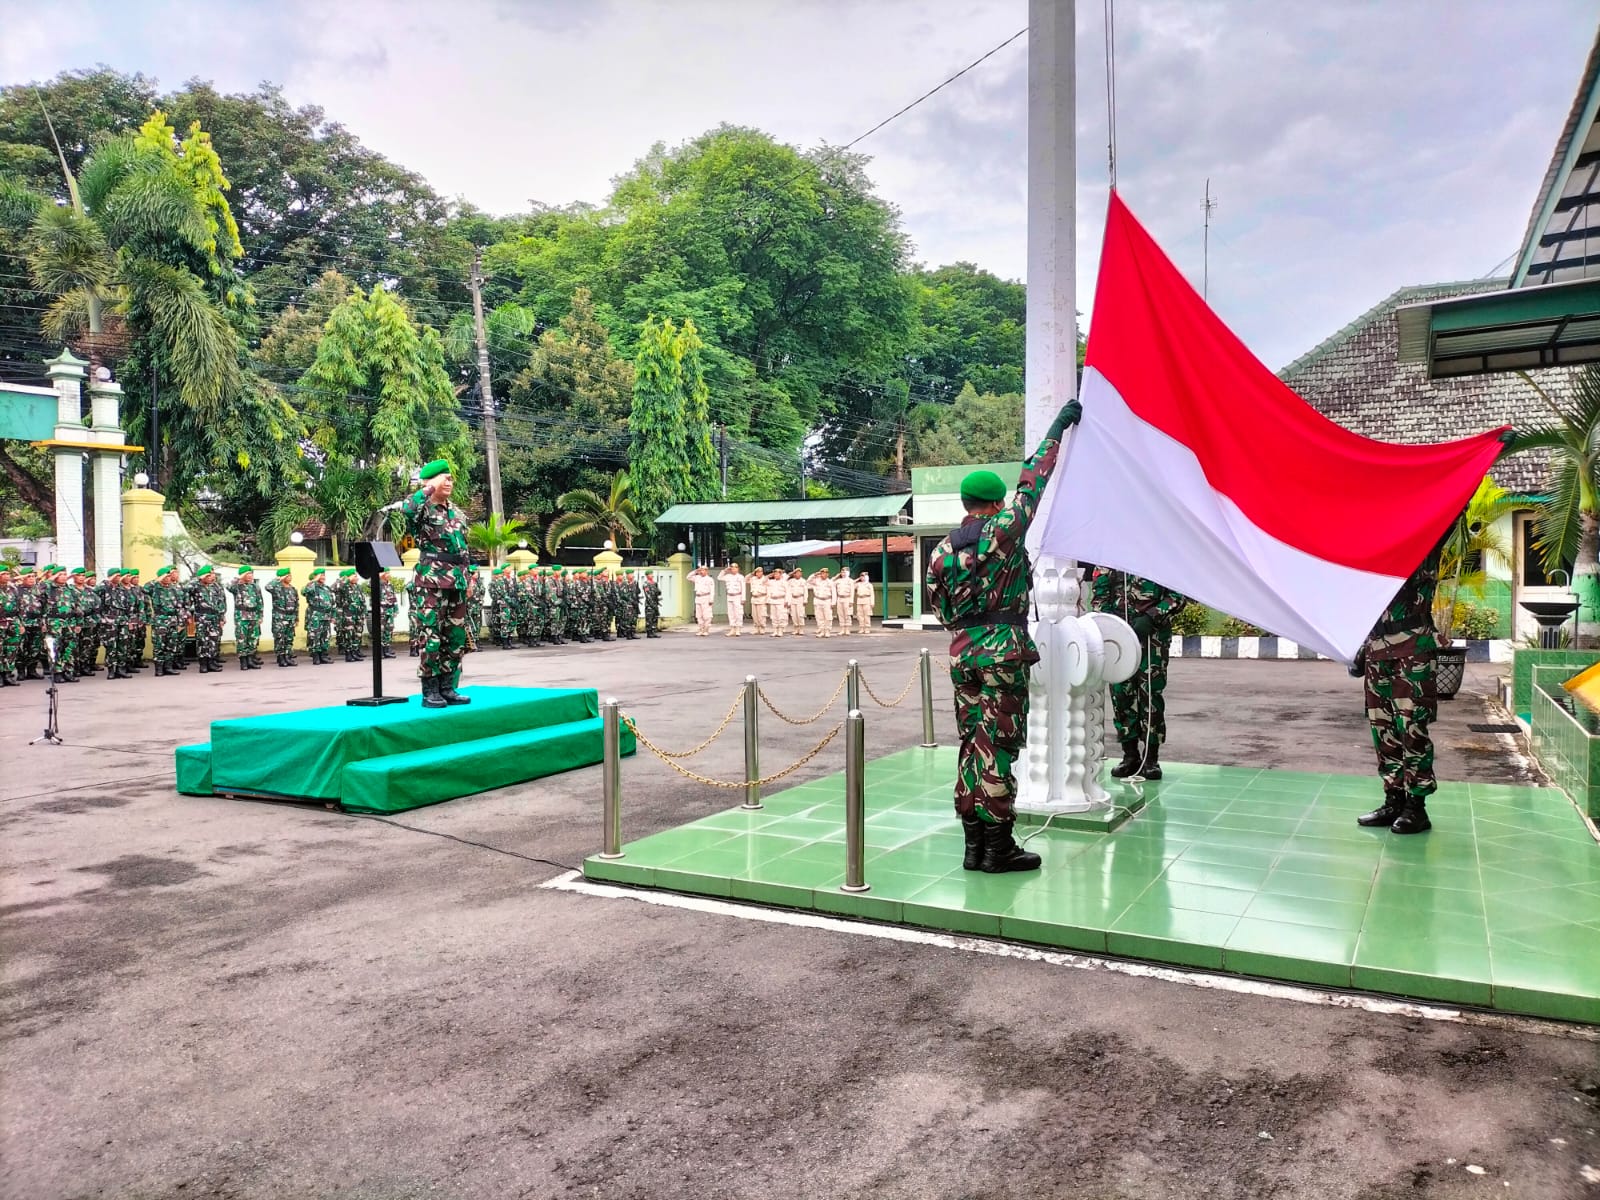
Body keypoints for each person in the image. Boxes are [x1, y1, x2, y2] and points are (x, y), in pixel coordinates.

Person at [925, 399, 1082, 873]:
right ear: (994, 503)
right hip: (1003, 654)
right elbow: (1034, 478)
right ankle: (999, 847)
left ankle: (974, 845)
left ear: (964, 504)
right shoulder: (1006, 528)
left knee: (972, 744)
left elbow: (939, 606)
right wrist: (1059, 426)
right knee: (998, 746)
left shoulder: (941, 551)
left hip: (962, 654)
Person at [1352, 543, 1443, 835]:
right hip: (1376, 649)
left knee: (1411, 727)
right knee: (1383, 729)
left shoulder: (1424, 538)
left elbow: (1450, 507)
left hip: (1413, 647)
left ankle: (1416, 806)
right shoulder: (1372, 547)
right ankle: (1394, 799)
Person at [1090, 569, 1183, 780]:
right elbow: (1100, 593)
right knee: (1121, 693)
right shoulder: (1111, 554)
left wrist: (1152, 616)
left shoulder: (1161, 555)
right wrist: (1112, 624)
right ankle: (1129, 755)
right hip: (1119, 636)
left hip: (1152, 636)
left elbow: (1178, 595)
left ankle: (1151, 758)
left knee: (1150, 693)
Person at [401, 459, 472, 708]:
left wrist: (468, 578)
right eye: (445, 478)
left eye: (451, 478)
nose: (449, 482)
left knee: (455, 637)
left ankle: (448, 686)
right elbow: (407, 509)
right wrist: (428, 489)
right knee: (431, 635)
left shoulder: (458, 513)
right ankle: (430, 689)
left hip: (457, 581)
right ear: (430, 481)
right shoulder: (422, 509)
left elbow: (464, 550)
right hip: (432, 580)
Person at [191, 565, 227, 673]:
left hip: (214, 617)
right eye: (209, 575)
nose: (212, 577)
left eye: (212, 574)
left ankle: (211, 663)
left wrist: (221, 616)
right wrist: (199, 578)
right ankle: (203, 664)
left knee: (213, 640)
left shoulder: (214, 587)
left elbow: (220, 603)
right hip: (202, 617)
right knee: (202, 641)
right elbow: (186, 588)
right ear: (203, 577)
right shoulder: (196, 587)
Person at [229, 566, 264, 670]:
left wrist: (260, 615)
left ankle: (250, 660)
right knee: (242, 639)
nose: (250, 576)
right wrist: (239, 578)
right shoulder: (237, 586)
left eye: (251, 574)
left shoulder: (255, 587)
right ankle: (243, 661)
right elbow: (228, 586)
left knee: (252, 639)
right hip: (241, 616)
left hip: (253, 615)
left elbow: (260, 601)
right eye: (248, 574)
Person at [266, 567, 300, 667]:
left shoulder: (293, 589)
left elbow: (296, 604)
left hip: (291, 617)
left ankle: (288, 657)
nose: (290, 578)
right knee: (280, 638)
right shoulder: (276, 588)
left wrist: (296, 618)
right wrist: (278, 579)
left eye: (290, 576)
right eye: (287, 576)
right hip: (280, 617)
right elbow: (267, 587)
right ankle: (281, 658)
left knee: (289, 638)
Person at [303, 568, 335, 665]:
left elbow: (332, 602)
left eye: (324, 575)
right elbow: (305, 591)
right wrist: (314, 581)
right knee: (315, 636)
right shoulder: (312, 587)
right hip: (315, 615)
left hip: (326, 615)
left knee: (325, 636)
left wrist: (333, 615)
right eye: (321, 575)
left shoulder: (326, 588)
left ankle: (323, 655)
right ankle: (315, 655)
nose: (323, 577)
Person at [0, 561, 19, 687]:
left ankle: (8, 674)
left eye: (8, 573)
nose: (7, 576)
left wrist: (20, 623)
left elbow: (19, 606)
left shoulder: (13, 589)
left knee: (11, 649)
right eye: (4, 573)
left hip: (12, 622)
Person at [719, 563, 747, 637]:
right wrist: (725, 570)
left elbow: (743, 588)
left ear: (738, 569)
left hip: (738, 596)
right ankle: (732, 629)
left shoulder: (740, 577)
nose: (733, 569)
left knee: (738, 613)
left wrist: (743, 598)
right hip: (729, 596)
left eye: (735, 568)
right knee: (731, 613)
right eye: (732, 568)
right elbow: (719, 577)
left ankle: (738, 629)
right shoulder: (728, 576)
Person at [810, 568, 835, 638]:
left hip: (827, 600)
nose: (824, 575)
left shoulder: (830, 582)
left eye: (825, 573)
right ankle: (821, 631)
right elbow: (809, 581)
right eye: (822, 573)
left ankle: (827, 631)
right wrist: (815, 574)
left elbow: (834, 593)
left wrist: (833, 602)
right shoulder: (817, 581)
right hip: (818, 600)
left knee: (828, 617)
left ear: (828, 574)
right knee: (819, 617)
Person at [379, 571, 399, 658]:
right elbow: (370, 584)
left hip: (390, 610)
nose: (389, 575)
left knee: (388, 630)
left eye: (389, 573)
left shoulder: (390, 585)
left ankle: (387, 650)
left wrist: (395, 610)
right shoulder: (379, 584)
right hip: (382, 611)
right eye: (387, 573)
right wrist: (378, 576)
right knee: (381, 631)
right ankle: (380, 651)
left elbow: (394, 598)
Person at [692, 565, 715, 636]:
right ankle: (700, 629)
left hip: (706, 597)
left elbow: (712, 590)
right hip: (698, 598)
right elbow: (688, 577)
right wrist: (696, 571)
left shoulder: (709, 579)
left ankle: (706, 629)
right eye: (701, 570)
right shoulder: (697, 578)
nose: (701, 571)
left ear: (706, 571)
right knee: (699, 615)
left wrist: (711, 599)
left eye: (703, 570)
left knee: (707, 615)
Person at [785, 568, 808, 636]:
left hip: (800, 598)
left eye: (799, 573)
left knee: (800, 614)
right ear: (794, 574)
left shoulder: (803, 581)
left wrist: (805, 600)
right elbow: (784, 580)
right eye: (796, 573)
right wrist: (791, 573)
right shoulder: (791, 581)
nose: (798, 574)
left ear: (801, 574)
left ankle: (801, 628)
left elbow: (805, 591)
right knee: (793, 615)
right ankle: (795, 628)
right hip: (792, 599)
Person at [854, 569, 876, 633]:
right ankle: (861, 627)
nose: (862, 577)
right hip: (860, 600)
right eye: (861, 576)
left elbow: (872, 594)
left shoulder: (869, 585)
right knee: (860, 615)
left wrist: (872, 602)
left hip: (867, 599)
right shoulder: (858, 584)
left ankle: (867, 628)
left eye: (863, 576)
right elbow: (851, 585)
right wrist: (857, 579)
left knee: (867, 615)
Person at [834, 568, 854, 635]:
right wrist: (836, 576)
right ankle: (842, 629)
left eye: (845, 572)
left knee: (847, 614)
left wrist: (851, 600)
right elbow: (830, 583)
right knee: (841, 614)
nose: (843, 574)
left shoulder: (850, 581)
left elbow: (852, 591)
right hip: (840, 598)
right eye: (842, 572)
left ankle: (847, 629)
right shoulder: (838, 581)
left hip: (847, 598)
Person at [642, 572, 662, 638]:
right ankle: (649, 632)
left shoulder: (654, 583)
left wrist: (657, 590)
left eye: (652, 574)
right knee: (649, 618)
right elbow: (647, 595)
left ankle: (654, 631)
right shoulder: (646, 584)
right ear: (647, 576)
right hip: (649, 604)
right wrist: (652, 604)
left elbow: (659, 592)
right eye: (650, 574)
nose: (652, 576)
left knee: (655, 617)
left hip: (655, 602)